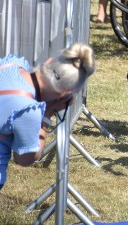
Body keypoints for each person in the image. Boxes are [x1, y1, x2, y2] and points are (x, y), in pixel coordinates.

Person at [0, 43, 95, 190]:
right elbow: (25, 159)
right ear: (65, 94)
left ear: (49, 61)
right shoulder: (28, 110)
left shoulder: (11, 64)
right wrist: (47, 114)